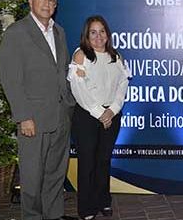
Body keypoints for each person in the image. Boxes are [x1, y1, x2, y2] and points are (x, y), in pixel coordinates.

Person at [0, 0, 77, 220]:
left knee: (55, 173)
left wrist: (69, 104)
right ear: (30, 1)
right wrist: (23, 116)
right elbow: (11, 79)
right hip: (33, 119)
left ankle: (53, 215)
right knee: (32, 176)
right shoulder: (16, 33)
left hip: (61, 116)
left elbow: (61, 72)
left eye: (52, 0)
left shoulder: (59, 32)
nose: (47, 4)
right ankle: (32, 217)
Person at [67, 15, 129, 220]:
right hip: (87, 117)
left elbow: (123, 85)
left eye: (102, 31)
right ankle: (86, 208)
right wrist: (100, 112)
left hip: (112, 116)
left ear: (107, 34)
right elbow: (78, 89)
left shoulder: (116, 56)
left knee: (103, 160)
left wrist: (113, 109)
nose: (98, 36)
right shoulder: (80, 55)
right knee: (87, 163)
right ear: (87, 34)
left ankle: (103, 200)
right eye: (93, 32)